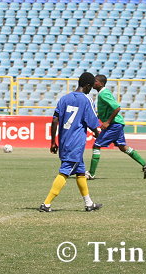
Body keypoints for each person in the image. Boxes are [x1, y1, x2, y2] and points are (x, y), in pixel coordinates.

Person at [39, 72, 102, 212]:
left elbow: (54, 120)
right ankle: (46, 204)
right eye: (91, 87)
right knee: (65, 171)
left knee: (80, 172)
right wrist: (98, 134)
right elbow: (92, 122)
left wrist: (53, 142)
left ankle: (89, 203)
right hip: (76, 143)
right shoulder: (86, 100)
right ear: (88, 86)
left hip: (64, 140)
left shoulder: (64, 98)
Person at [86, 74, 146, 180]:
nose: (93, 82)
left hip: (114, 124)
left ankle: (91, 173)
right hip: (117, 123)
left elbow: (117, 108)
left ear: (101, 83)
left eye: (95, 81)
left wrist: (107, 122)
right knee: (122, 147)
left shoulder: (104, 94)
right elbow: (106, 110)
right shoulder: (102, 93)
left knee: (96, 145)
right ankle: (145, 164)